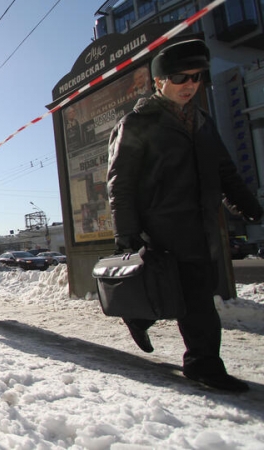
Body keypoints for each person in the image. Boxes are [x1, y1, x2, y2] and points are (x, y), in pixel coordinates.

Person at [107, 39, 263, 392]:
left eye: (197, 77)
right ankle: (203, 364)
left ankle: (139, 314)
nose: (190, 84)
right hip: (160, 225)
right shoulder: (137, 122)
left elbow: (226, 172)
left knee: (186, 291)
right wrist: (126, 232)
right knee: (192, 295)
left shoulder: (203, 122)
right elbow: (120, 182)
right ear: (159, 81)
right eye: (180, 77)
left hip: (201, 223)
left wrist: (249, 206)